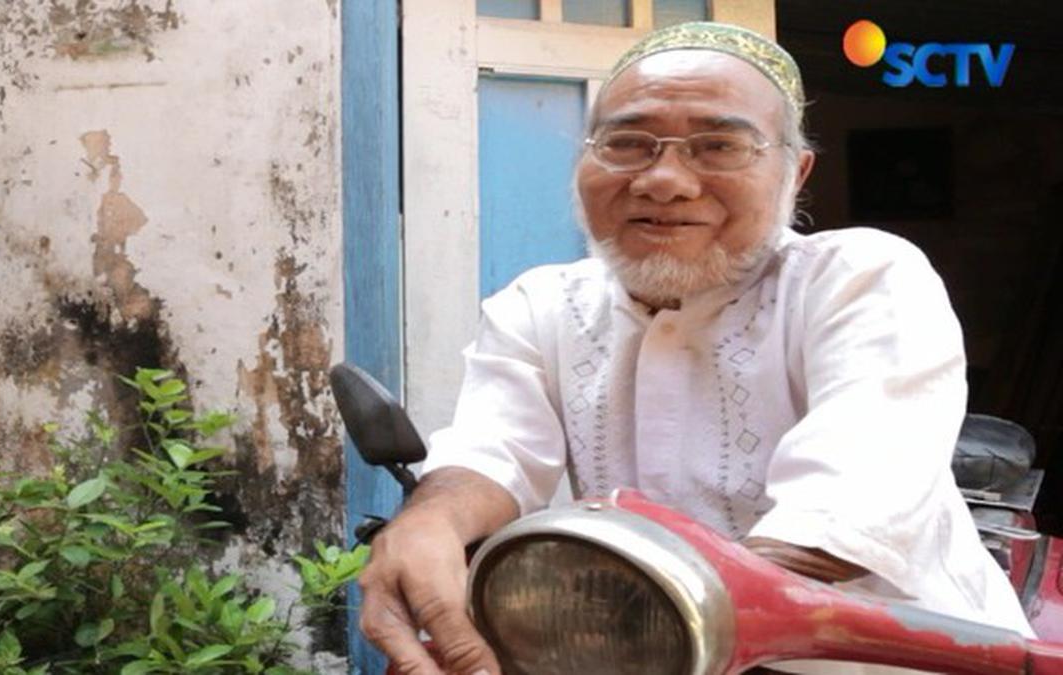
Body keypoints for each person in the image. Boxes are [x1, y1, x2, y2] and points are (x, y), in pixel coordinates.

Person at [358, 21, 1032, 675]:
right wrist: (429, 524)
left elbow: (851, 494)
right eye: (627, 144)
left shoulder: (859, 277)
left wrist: (651, 624)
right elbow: (493, 452)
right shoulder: (540, 304)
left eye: (718, 146)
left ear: (794, 174)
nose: (665, 180)